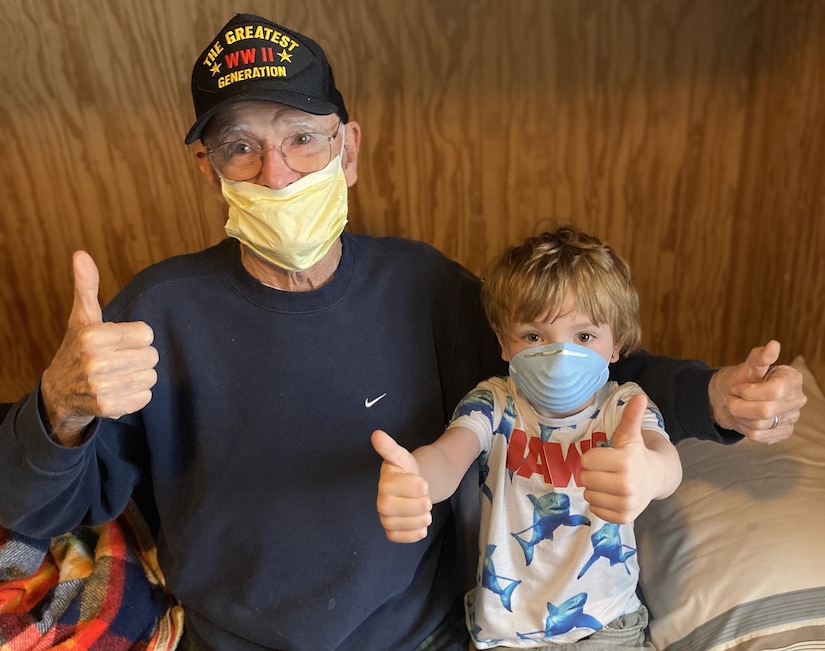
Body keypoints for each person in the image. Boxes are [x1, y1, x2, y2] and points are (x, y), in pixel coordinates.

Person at [0, 12, 807, 651]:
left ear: (347, 150)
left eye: (302, 138)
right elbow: (28, 510)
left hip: (422, 635)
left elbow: (573, 362)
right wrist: (58, 406)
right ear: (206, 170)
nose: (276, 175)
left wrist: (716, 396)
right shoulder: (159, 309)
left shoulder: (420, 285)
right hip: (230, 638)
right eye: (239, 146)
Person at [374, 227, 682, 649]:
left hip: (605, 624)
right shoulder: (493, 402)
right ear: (503, 342)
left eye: (584, 337)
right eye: (534, 336)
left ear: (617, 345)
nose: (557, 357)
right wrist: (416, 480)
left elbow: (664, 461)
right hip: (505, 632)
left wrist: (651, 473)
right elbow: (449, 456)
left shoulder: (624, 407)